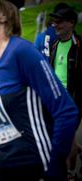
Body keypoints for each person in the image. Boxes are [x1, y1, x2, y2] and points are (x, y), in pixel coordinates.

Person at [0, 0, 79, 180]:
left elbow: (67, 112)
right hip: (3, 169)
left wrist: (52, 169)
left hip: (35, 170)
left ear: (3, 15)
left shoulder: (22, 52)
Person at [49, 4, 82, 180]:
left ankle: (70, 173)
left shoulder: (79, 45)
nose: (55, 24)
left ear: (71, 23)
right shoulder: (54, 45)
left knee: (66, 139)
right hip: (55, 102)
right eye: (54, 20)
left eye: (59, 21)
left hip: (73, 103)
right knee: (63, 138)